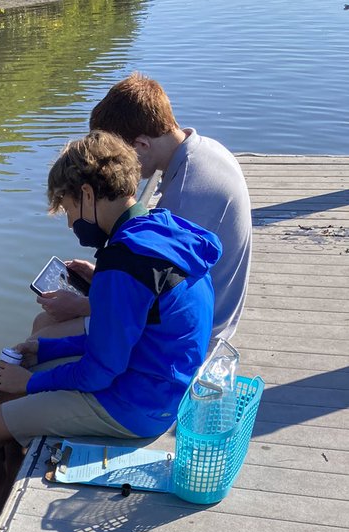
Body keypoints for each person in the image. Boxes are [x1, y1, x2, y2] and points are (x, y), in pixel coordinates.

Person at [0, 131, 221, 532]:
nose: (69, 224)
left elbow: (101, 371)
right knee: (5, 389)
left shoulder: (124, 261)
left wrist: (32, 381)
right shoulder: (160, 228)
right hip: (158, 384)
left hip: (135, 407)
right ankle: (0, 498)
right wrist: (45, 348)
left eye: (67, 209)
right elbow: (118, 337)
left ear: (87, 194)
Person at [34, 73, 251, 344]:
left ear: (141, 145)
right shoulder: (205, 150)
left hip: (193, 334)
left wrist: (81, 306)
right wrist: (104, 278)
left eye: (118, 154)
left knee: (43, 333)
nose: (116, 165)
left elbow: (159, 302)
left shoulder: (185, 195)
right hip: (196, 310)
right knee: (49, 324)